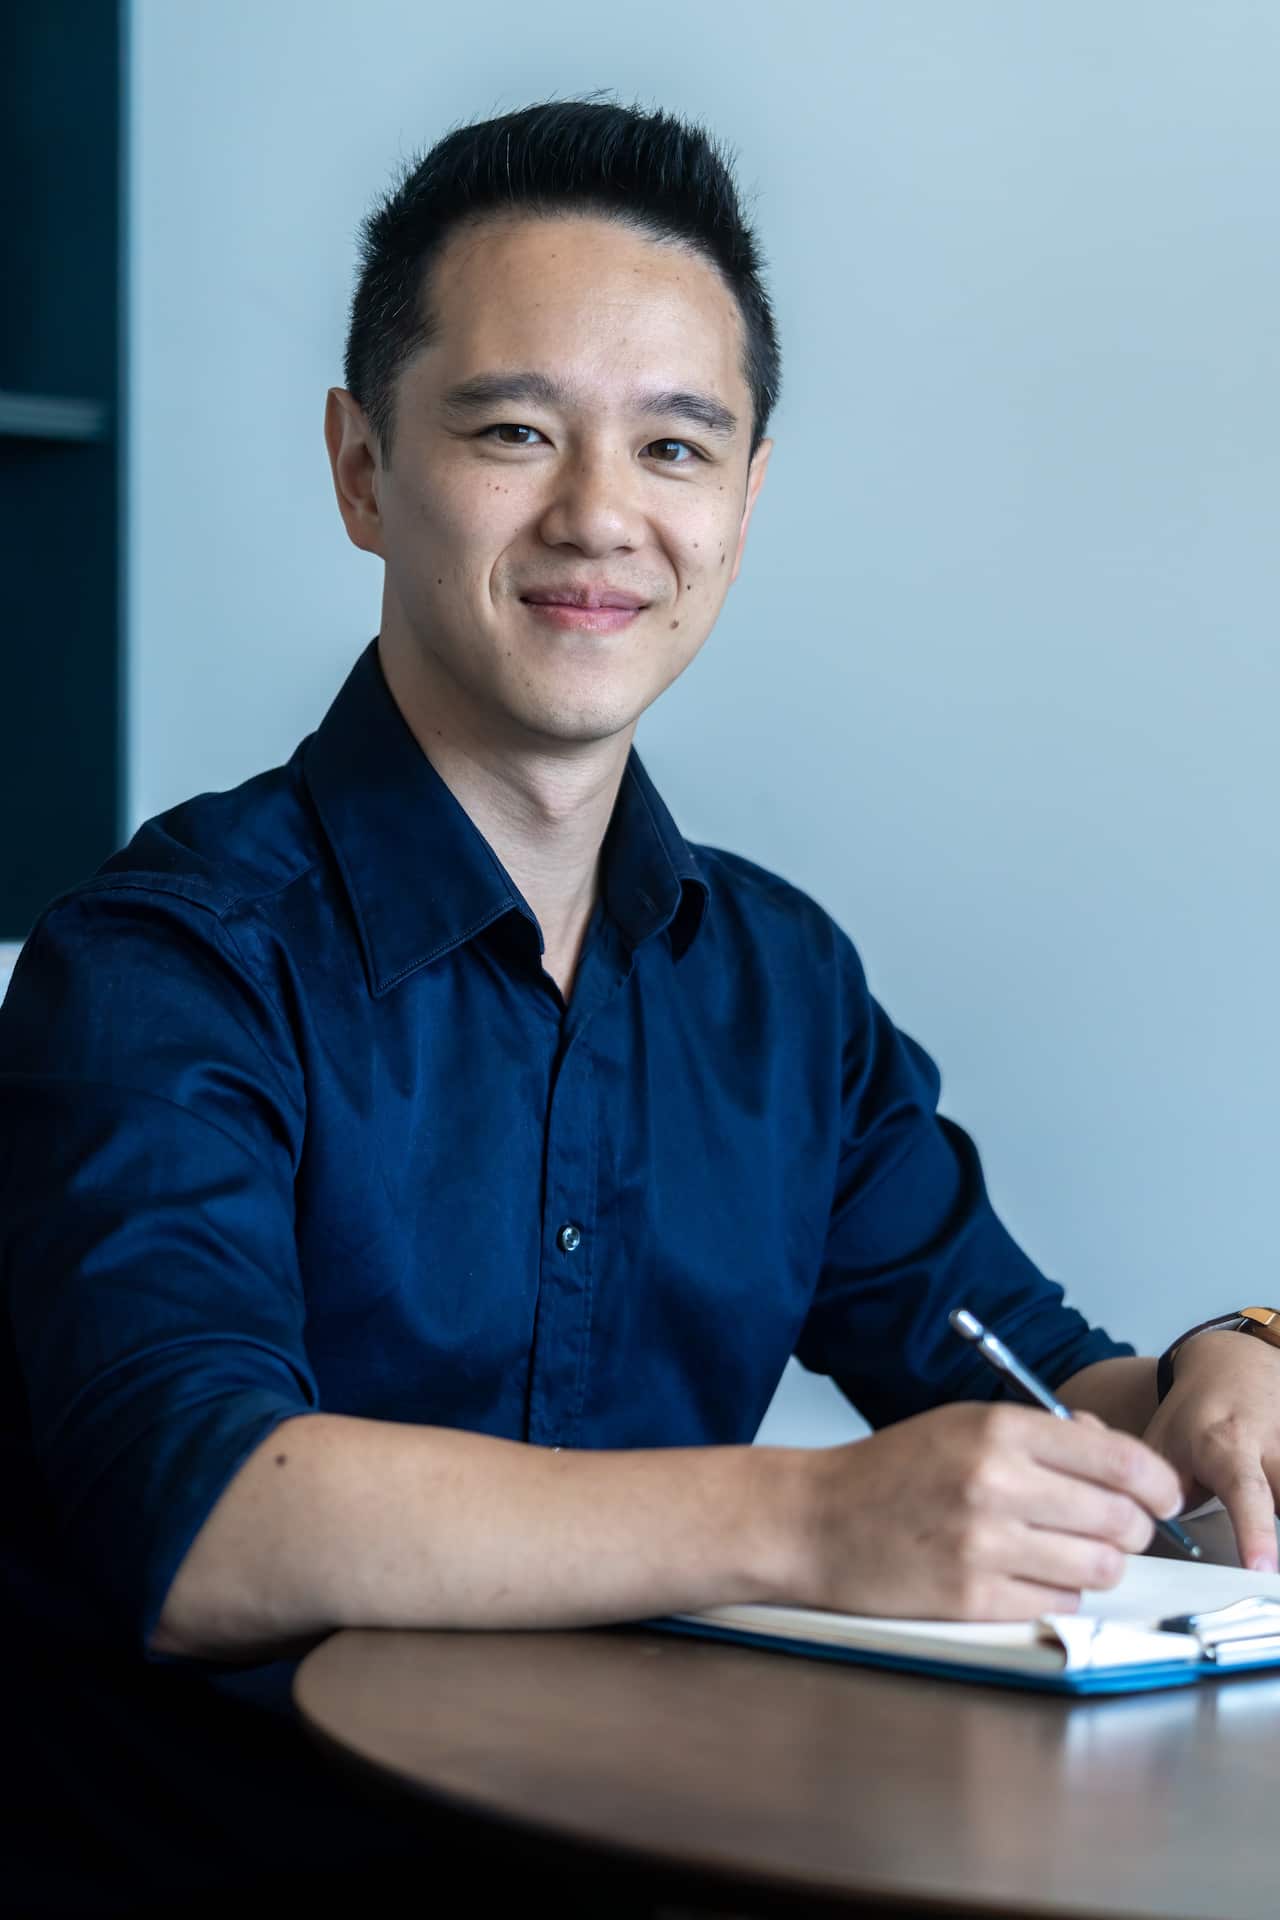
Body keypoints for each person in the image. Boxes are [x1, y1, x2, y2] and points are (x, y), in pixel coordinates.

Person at [2, 95, 1277, 1916]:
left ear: (746, 500)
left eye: (678, 447)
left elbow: (1026, 1374)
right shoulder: (165, 960)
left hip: (671, 1854)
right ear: (364, 469)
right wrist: (817, 1516)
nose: (602, 516)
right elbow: (200, 1516)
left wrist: (1213, 1377)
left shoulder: (780, 983)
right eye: (515, 430)